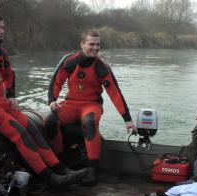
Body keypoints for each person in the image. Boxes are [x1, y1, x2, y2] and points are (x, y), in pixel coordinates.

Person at [0, 12, 86, 188]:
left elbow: (10, 75)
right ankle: (50, 178)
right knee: (20, 133)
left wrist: (10, 96)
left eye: (3, 27)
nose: (1, 31)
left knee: (32, 129)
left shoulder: (2, 52)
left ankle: (61, 169)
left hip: (2, 103)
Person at [45, 30, 138, 186]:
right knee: (50, 121)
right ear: (82, 45)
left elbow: (115, 93)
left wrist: (127, 120)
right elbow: (56, 82)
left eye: (98, 45)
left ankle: (93, 171)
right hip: (71, 103)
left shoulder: (102, 67)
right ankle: (60, 162)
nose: (95, 48)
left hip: (92, 105)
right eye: (91, 44)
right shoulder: (69, 61)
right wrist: (52, 100)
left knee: (89, 123)